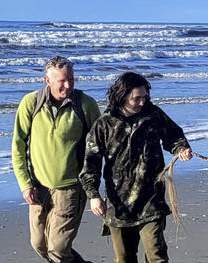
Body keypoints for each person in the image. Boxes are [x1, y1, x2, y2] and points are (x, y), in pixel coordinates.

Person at [80, 72, 193, 263]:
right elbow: (90, 163)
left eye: (145, 97)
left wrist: (181, 148)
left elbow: (173, 135)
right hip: (119, 204)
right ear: (122, 96)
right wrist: (93, 196)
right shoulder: (104, 124)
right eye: (136, 98)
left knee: (157, 256)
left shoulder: (153, 115)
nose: (142, 102)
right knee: (124, 257)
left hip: (151, 199)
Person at [12, 56, 102, 263]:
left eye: (71, 79)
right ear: (47, 80)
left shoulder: (85, 104)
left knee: (58, 249)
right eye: (62, 80)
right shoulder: (31, 103)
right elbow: (18, 145)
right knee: (39, 245)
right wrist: (25, 184)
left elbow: (100, 147)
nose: (68, 85)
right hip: (38, 187)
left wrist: (93, 191)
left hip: (71, 188)